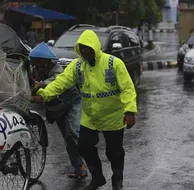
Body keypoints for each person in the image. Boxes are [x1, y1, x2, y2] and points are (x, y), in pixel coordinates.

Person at [32, 30, 137, 190]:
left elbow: (127, 88)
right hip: (90, 117)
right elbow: (62, 82)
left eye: (88, 49)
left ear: (95, 47)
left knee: (114, 152)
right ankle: (97, 177)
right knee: (84, 146)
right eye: (82, 49)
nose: (86, 52)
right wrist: (44, 94)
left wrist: (129, 111)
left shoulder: (113, 63)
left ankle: (117, 180)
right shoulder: (78, 65)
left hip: (113, 117)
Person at [30, 42, 87, 178]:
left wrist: (42, 84)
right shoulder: (34, 71)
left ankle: (81, 164)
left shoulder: (58, 70)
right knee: (67, 138)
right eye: (36, 63)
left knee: (72, 133)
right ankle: (77, 164)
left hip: (73, 104)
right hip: (56, 109)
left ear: (49, 62)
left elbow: (56, 81)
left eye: (42, 63)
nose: (39, 67)